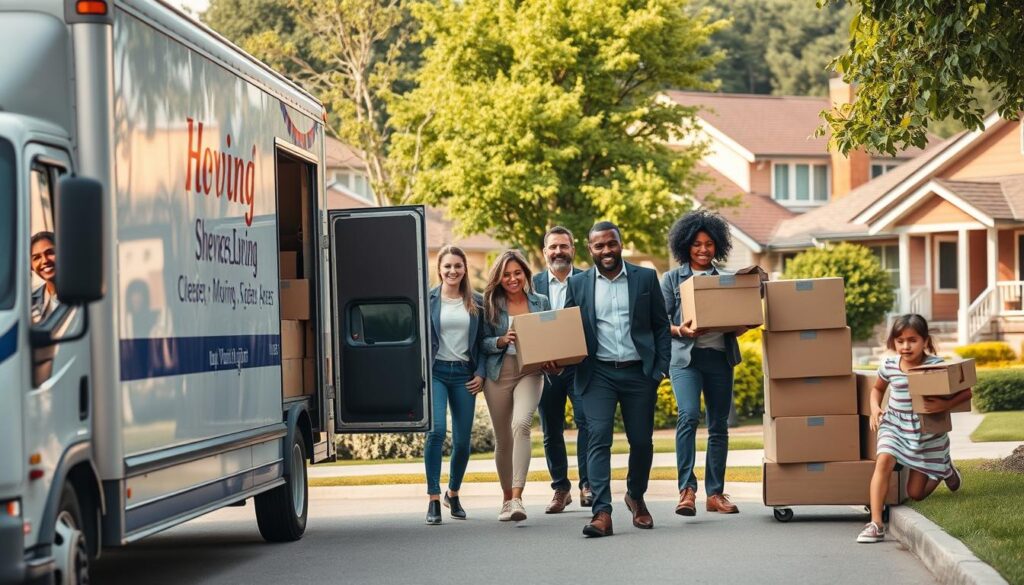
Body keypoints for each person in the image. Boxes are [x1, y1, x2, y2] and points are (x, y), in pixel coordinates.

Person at [564, 221, 671, 538]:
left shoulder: (646, 278)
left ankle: (636, 497)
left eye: (611, 244)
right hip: (597, 373)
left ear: (620, 244)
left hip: (639, 372)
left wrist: (660, 367)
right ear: (590, 249)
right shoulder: (579, 284)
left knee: (641, 441)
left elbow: (661, 326)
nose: (606, 250)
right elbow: (569, 330)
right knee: (598, 437)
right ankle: (602, 512)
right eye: (599, 246)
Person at [660, 210, 749, 518]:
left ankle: (715, 493)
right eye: (697, 244)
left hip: (719, 358)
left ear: (718, 246)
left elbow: (738, 320)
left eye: (709, 244)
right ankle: (687, 490)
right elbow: (659, 324)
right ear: (686, 245)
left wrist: (742, 324)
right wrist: (680, 330)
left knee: (718, 425)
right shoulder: (672, 280)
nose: (702, 249)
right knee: (687, 416)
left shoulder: (727, 281)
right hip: (685, 360)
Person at [858, 314, 970, 543]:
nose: (905, 346)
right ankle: (876, 524)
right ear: (893, 342)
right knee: (883, 461)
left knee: (915, 494)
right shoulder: (889, 365)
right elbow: (877, 390)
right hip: (895, 425)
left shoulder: (937, 366)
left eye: (912, 340)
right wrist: (874, 408)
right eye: (900, 341)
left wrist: (945, 404)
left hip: (926, 433)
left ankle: (945, 470)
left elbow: (967, 392)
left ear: (925, 341)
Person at [481, 249, 555, 522]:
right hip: (498, 373)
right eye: (507, 274)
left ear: (526, 274)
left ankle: (517, 498)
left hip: (530, 370)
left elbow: (550, 338)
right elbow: (481, 343)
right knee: (504, 439)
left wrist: (552, 359)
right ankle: (505, 499)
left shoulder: (541, 301)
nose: (513, 279)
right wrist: (500, 341)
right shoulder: (490, 304)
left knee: (521, 424)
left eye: (517, 273)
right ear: (499, 278)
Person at [424, 245, 487, 525]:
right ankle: (434, 499)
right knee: (436, 431)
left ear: (464, 270)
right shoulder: (427, 300)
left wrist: (482, 373)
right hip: (436, 372)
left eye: (458, 266)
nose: (452, 271)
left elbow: (483, 343)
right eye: (447, 266)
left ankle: (454, 492)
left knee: (462, 442)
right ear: (439, 269)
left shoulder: (477, 302)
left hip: (464, 375)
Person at [532, 226, 591, 512]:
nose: (558, 252)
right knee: (550, 430)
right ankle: (561, 488)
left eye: (563, 246)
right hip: (546, 369)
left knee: (587, 424)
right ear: (545, 252)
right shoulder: (533, 285)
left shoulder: (588, 279)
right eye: (553, 247)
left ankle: (587, 485)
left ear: (572, 250)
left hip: (581, 367)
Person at [30, 231, 58, 323]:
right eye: (36, 257)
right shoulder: (31, 303)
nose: (45, 260)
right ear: (31, 266)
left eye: (50, 252)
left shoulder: (82, 291)